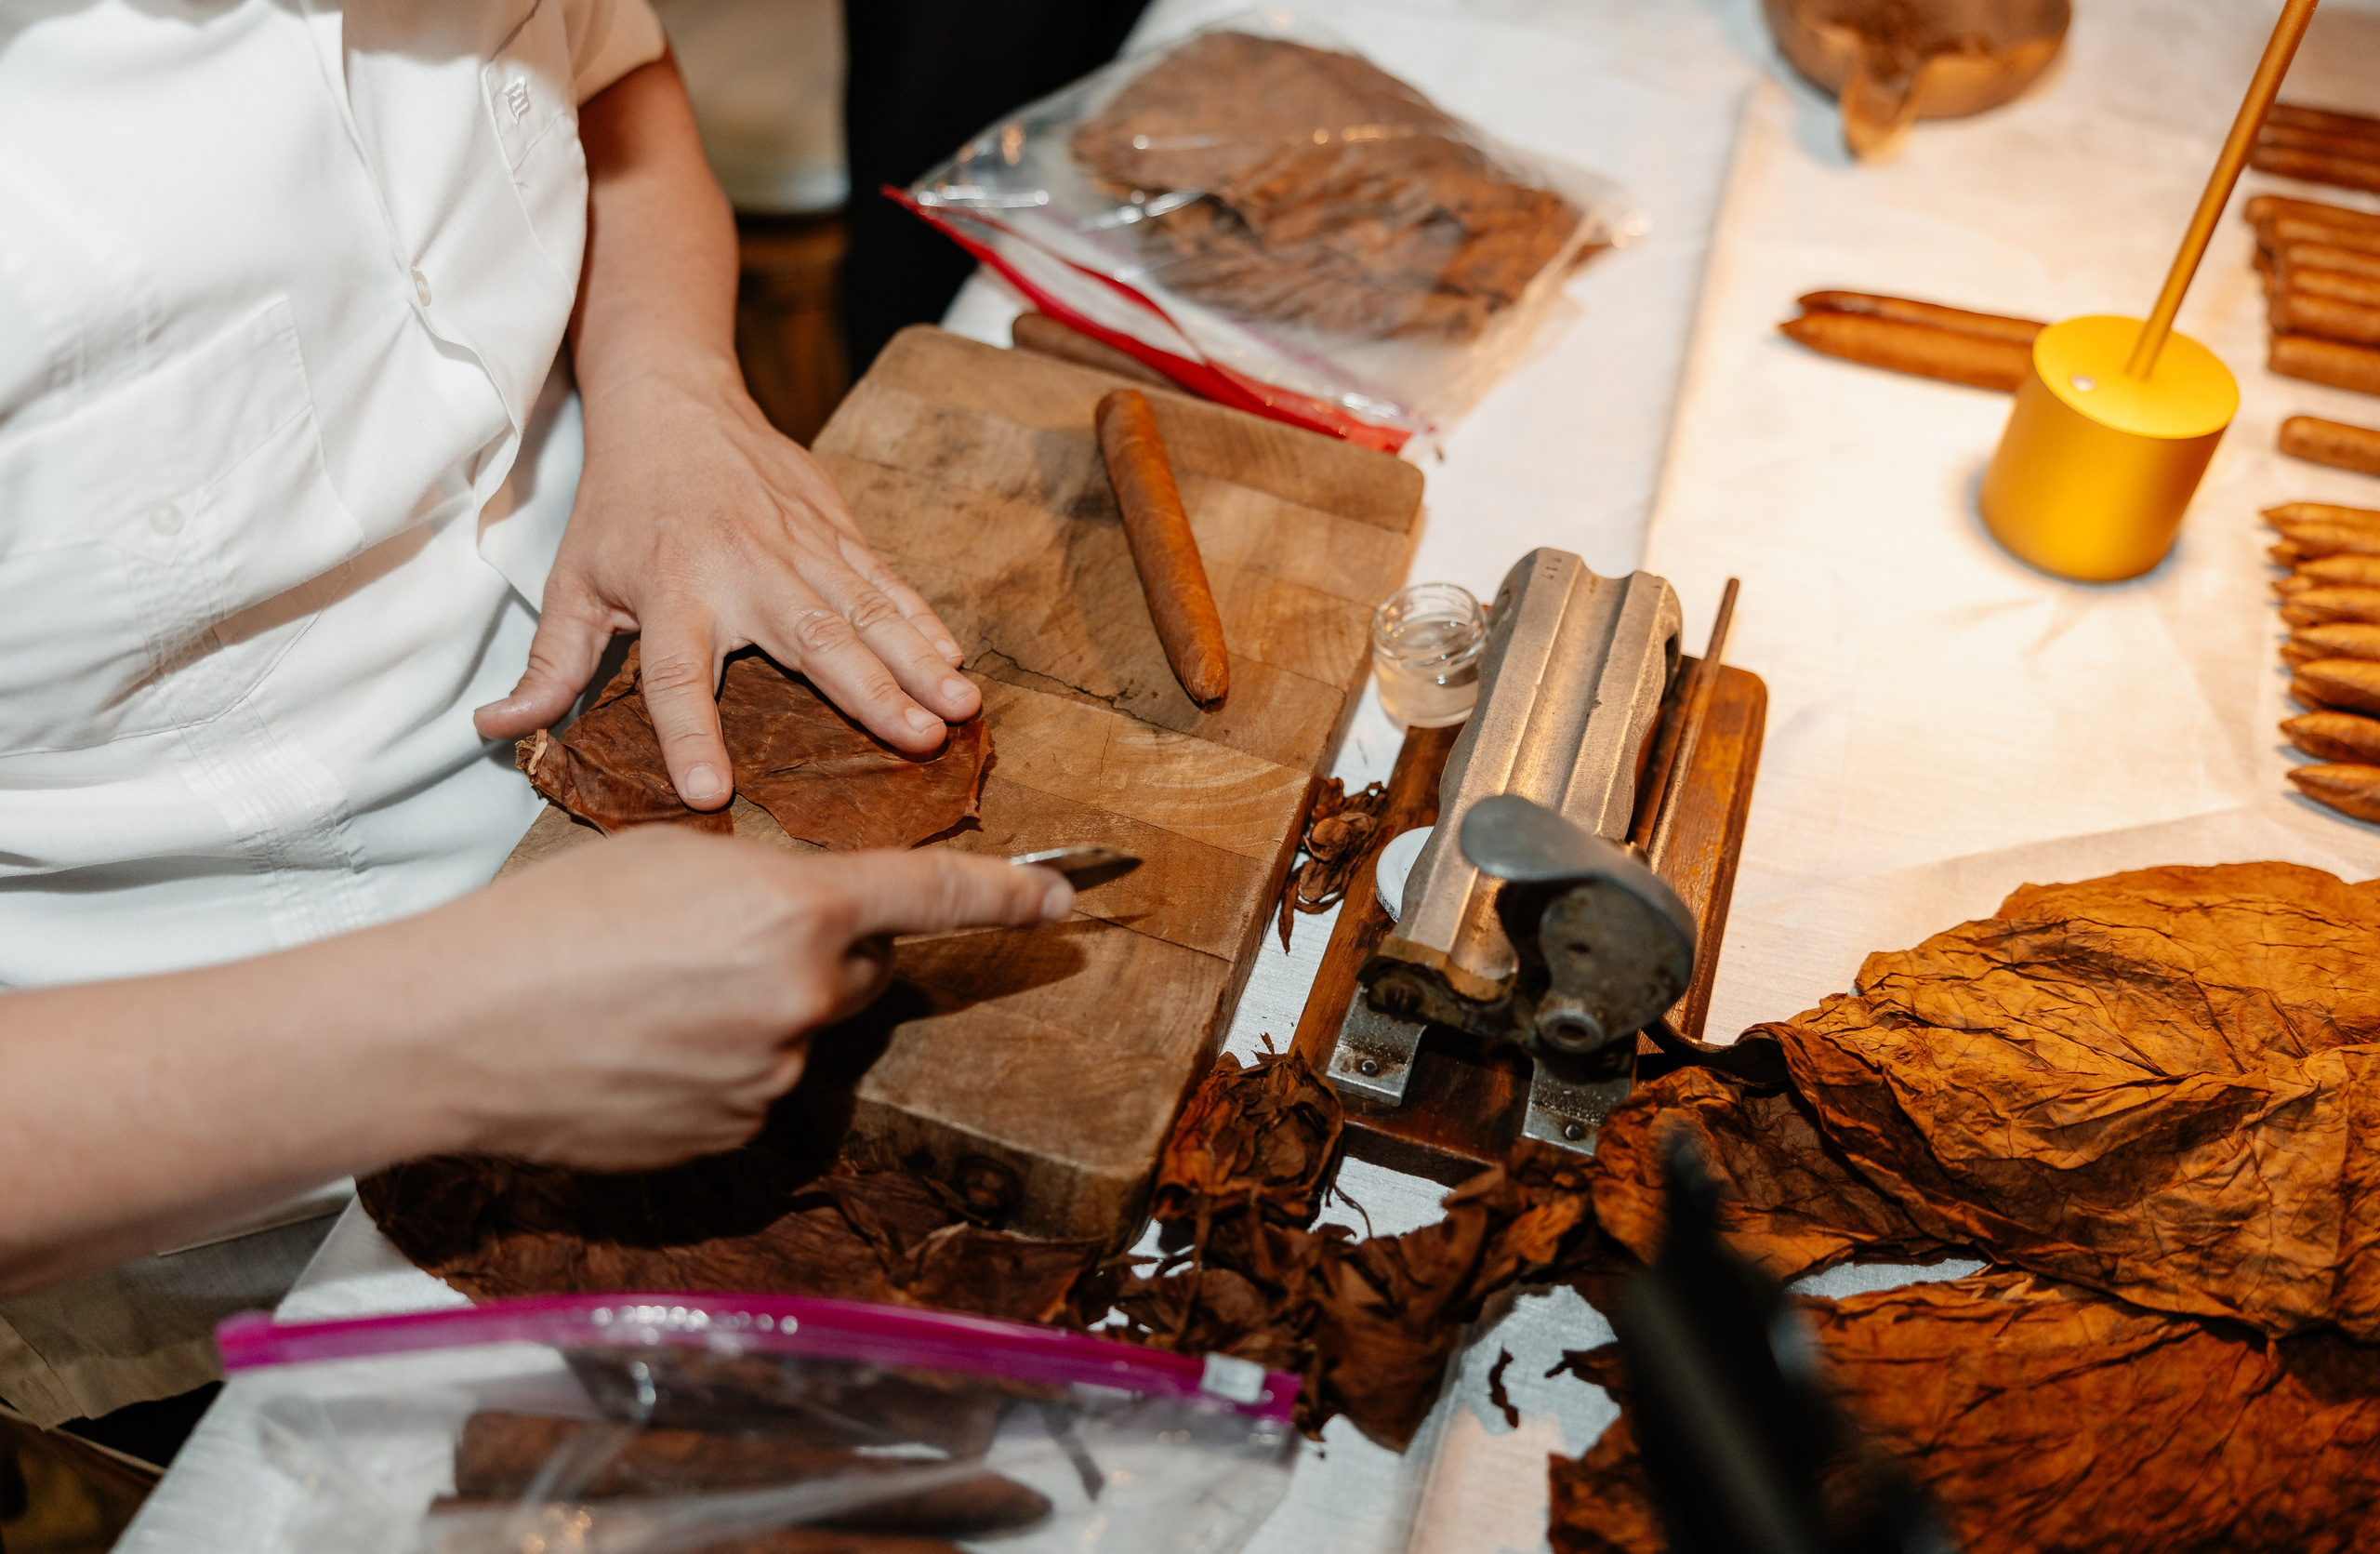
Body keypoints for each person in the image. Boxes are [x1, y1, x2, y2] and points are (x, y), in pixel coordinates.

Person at [0, 0, 1066, 1429]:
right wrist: (436, 1034)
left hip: (663, 799)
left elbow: (615, 73)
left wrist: (668, 377)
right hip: (236, 1192)